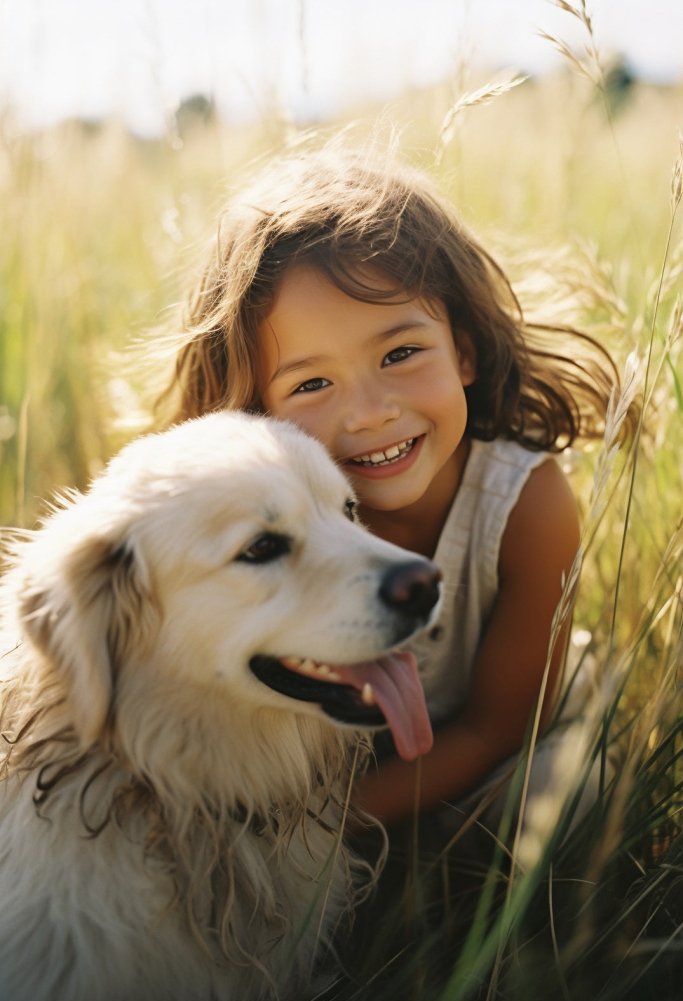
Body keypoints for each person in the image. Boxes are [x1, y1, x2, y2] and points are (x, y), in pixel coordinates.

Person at [151, 142, 632, 863]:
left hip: (491, 758)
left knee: (566, 803)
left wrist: (308, 834)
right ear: (255, 411)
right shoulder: (262, 530)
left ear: (462, 351)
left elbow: (495, 729)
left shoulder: (526, 505)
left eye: (400, 354)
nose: (370, 413)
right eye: (312, 385)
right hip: (333, 774)